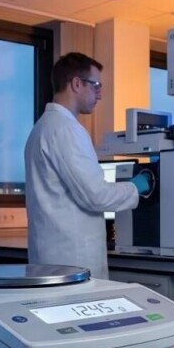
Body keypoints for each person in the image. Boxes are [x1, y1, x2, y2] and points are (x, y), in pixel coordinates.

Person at [24, 52, 152, 280]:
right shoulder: (66, 129)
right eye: (96, 86)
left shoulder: (41, 128)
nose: (100, 94)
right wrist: (136, 186)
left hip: (52, 257)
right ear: (76, 84)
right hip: (72, 261)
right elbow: (97, 196)